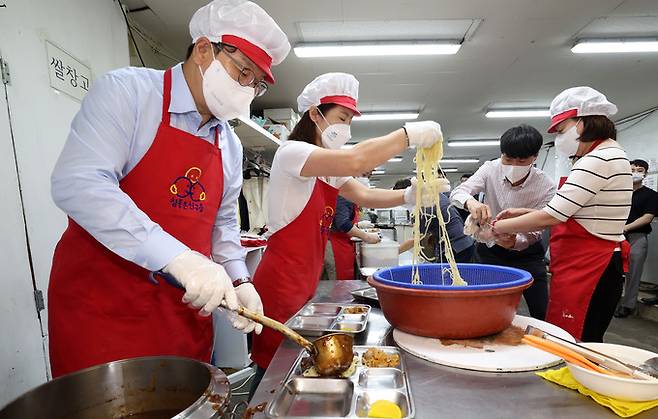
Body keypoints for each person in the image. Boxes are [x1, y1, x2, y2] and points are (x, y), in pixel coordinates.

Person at [47, 0, 290, 377]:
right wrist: (178, 258)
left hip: (182, 321)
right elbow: (79, 184)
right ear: (205, 50)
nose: (247, 90)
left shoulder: (230, 144)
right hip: (102, 317)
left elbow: (223, 227)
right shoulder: (128, 94)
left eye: (255, 84)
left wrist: (241, 279)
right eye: (243, 72)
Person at [249, 72, 443, 393]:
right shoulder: (292, 153)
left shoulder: (326, 168)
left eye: (351, 120)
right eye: (342, 117)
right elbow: (355, 160)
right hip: (280, 285)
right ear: (315, 114)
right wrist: (407, 135)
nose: (347, 128)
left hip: (305, 284)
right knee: (273, 368)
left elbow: (366, 196)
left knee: (295, 367)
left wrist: (412, 196)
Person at [492, 86, 631, 342]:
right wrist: (523, 213)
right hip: (583, 261)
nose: (558, 137)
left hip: (591, 265)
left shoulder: (598, 159)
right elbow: (573, 209)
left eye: (561, 129)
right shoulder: (606, 155)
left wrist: (498, 227)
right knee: (570, 337)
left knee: (577, 341)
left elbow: (553, 216)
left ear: (583, 122)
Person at [450, 124, 556, 320]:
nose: (513, 165)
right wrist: (471, 203)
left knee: (541, 310)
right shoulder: (490, 169)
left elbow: (540, 226)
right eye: (508, 159)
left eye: (522, 160)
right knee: (480, 304)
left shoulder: (546, 186)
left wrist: (516, 241)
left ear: (535, 157)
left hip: (527, 255)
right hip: (489, 251)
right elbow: (458, 192)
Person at [395, 178, 475, 263]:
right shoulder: (435, 196)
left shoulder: (425, 206)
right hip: (465, 243)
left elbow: (415, 239)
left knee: (447, 274)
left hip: (455, 248)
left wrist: (393, 253)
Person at [615, 159, 658, 315]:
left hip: (636, 237)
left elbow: (647, 218)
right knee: (612, 270)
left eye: (640, 170)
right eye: (632, 169)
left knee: (633, 272)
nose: (635, 172)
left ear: (645, 173)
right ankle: (611, 300)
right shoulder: (619, 192)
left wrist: (625, 228)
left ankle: (628, 305)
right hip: (614, 237)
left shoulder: (651, 195)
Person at [329, 188, 381, 281]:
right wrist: (367, 237)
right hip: (335, 244)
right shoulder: (344, 197)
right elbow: (343, 224)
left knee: (345, 280)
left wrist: (357, 226)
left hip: (344, 242)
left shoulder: (350, 198)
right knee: (339, 282)